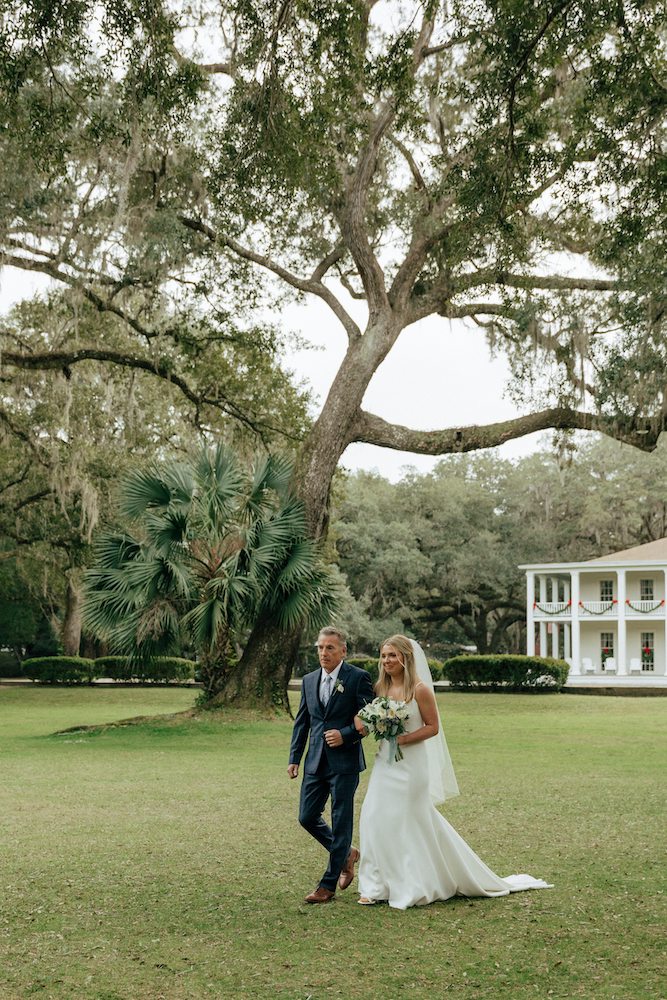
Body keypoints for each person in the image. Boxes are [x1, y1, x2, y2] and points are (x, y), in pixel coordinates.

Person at [356, 634, 553, 910]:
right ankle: (375, 886)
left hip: (412, 766)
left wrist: (402, 739)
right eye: (383, 655)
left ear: (405, 658)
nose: (386, 660)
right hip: (385, 765)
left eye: (392, 655)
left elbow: (432, 727)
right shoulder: (379, 688)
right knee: (373, 818)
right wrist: (374, 726)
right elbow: (365, 719)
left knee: (407, 822)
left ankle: (412, 884)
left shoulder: (420, 690)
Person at [288, 626, 375, 904]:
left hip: (345, 762)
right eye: (320, 648)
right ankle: (347, 854)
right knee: (306, 817)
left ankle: (327, 885)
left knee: (340, 822)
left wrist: (345, 734)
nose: (323, 653)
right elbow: (303, 721)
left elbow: (370, 719)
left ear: (343, 651)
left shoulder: (358, 678)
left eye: (330, 648)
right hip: (315, 761)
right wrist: (294, 758)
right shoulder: (309, 679)